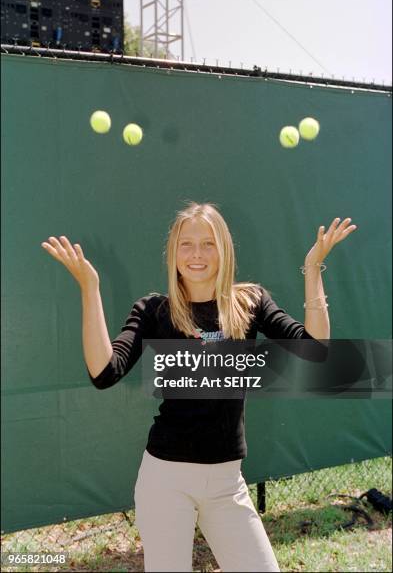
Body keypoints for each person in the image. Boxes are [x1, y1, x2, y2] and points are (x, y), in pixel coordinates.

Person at [41, 202, 356, 572]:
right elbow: (104, 372)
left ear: (224, 250)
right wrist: (89, 287)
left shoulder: (249, 303)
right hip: (167, 480)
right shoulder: (153, 311)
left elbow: (314, 349)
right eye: (186, 244)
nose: (197, 254)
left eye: (208, 244)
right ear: (173, 253)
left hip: (227, 484)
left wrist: (314, 267)